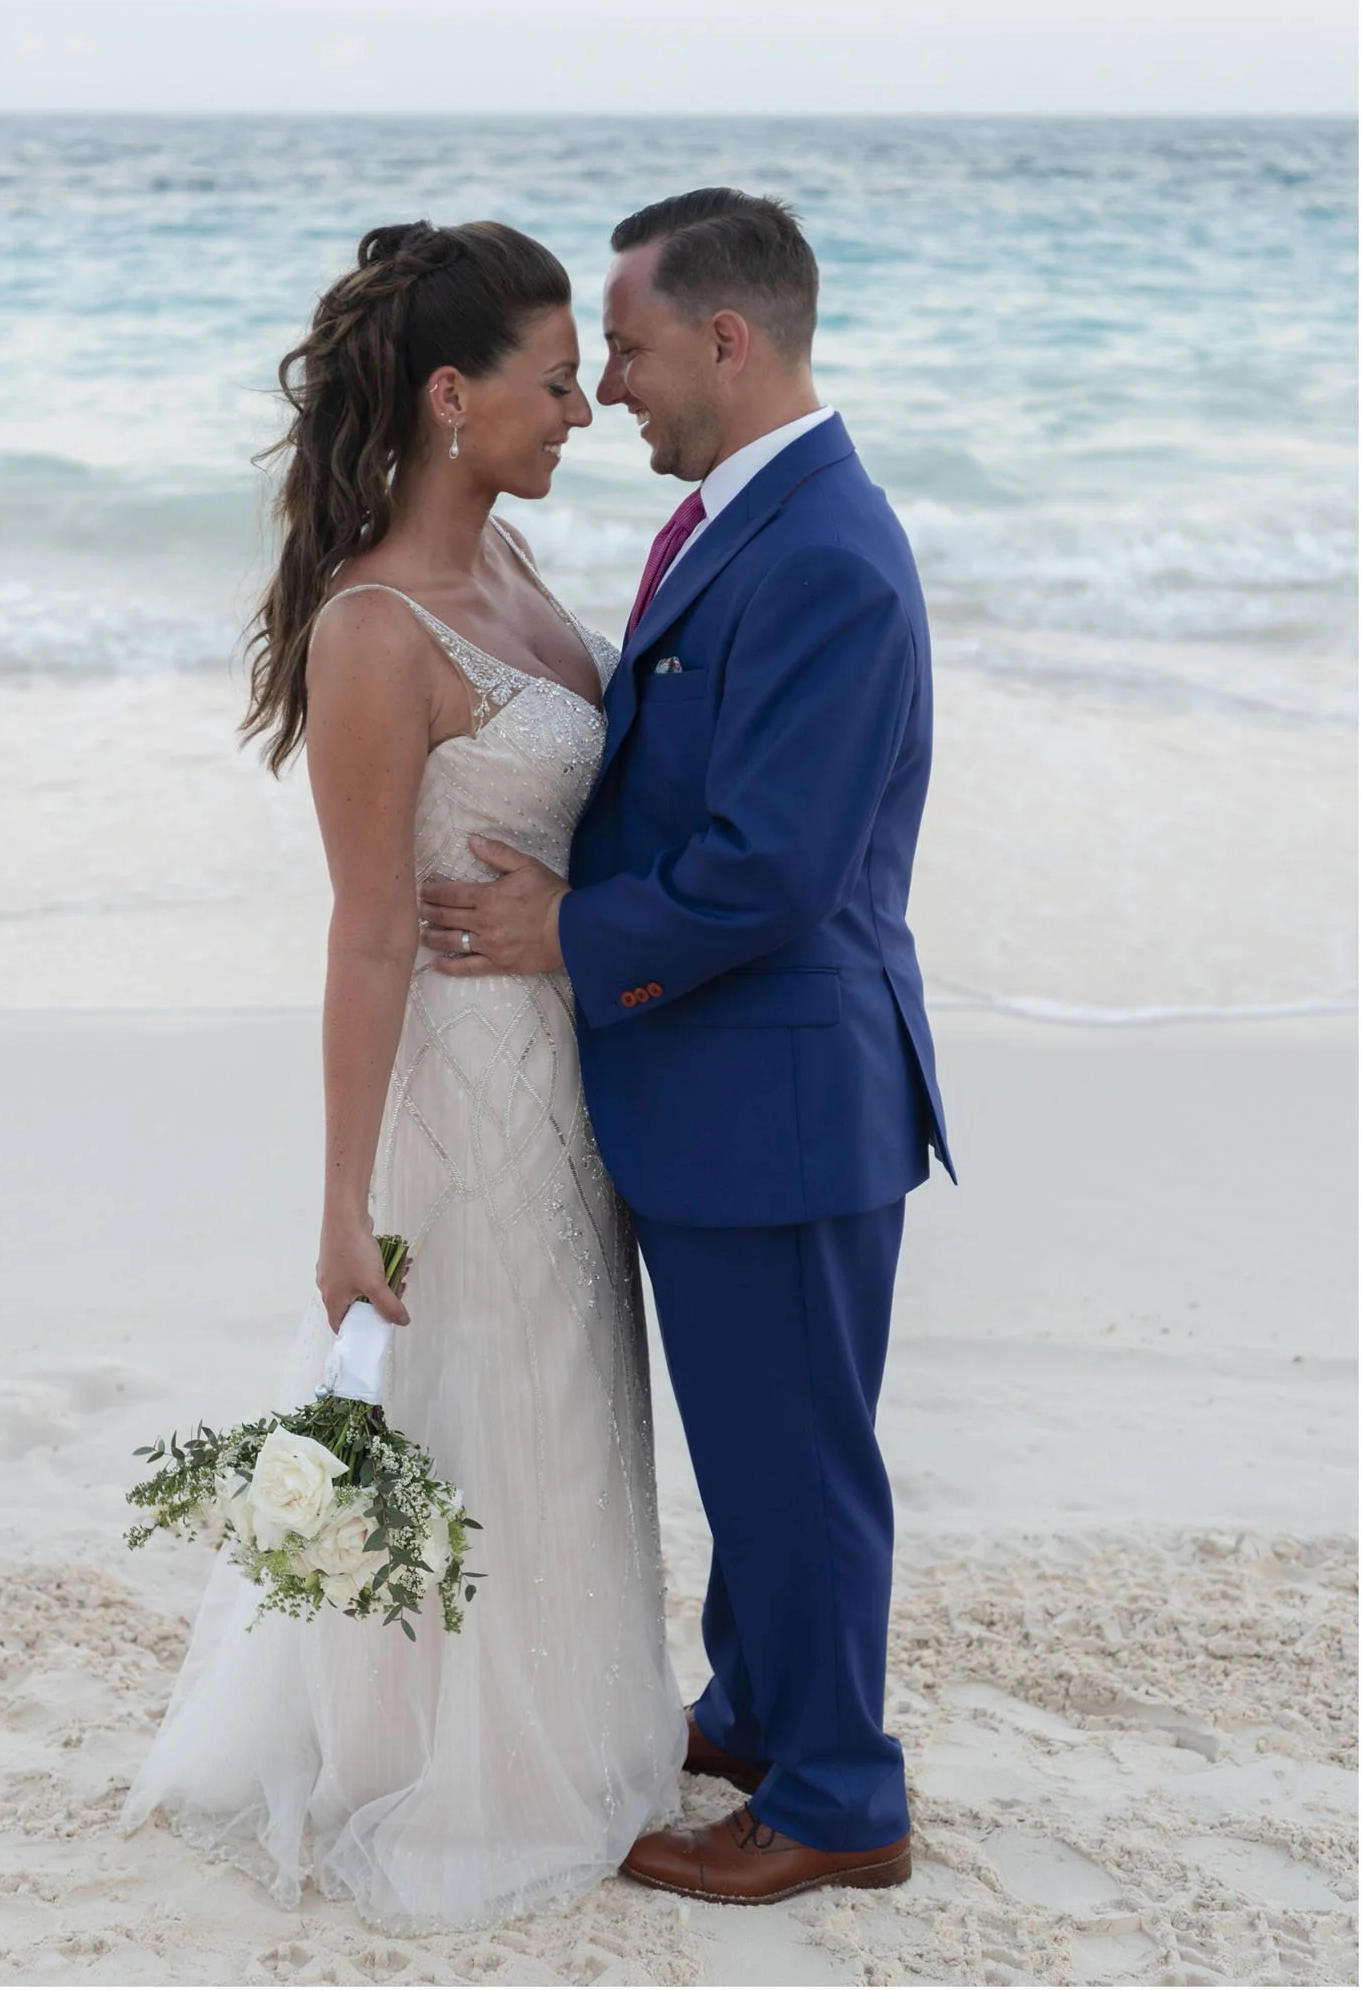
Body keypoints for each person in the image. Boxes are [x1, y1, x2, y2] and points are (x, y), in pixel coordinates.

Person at [122, 221, 683, 1926]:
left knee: (569, 1401)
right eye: (555, 377)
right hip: (464, 1093)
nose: (583, 405)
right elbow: (366, 933)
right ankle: (443, 1764)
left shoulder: (513, 568)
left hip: (566, 1074)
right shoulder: (375, 628)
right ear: (454, 395)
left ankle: (579, 1724)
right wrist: (343, 1205)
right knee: (476, 1407)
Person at [420, 188, 953, 1904]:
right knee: (754, 1432)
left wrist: (561, 935)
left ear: (728, 338)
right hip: (731, 1081)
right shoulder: (744, 519)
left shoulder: (824, 552)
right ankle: (759, 1705)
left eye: (631, 351)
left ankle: (839, 1800)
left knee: (794, 1457)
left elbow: (775, 868)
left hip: (785, 1090)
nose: (613, 391)